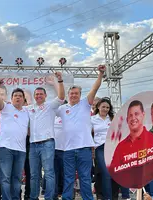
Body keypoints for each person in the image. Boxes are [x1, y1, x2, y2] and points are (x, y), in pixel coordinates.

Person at [56, 65, 106, 200]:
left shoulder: (85, 104)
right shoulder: (62, 109)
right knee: (68, 178)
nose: (73, 95)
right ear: (68, 95)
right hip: (68, 149)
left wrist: (100, 74)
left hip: (84, 148)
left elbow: (95, 88)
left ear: (80, 94)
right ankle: (67, 198)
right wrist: (59, 81)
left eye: (76, 93)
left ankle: (88, 198)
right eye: (71, 93)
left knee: (85, 178)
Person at [26, 72, 65, 200]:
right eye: (36, 94)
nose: (38, 96)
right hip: (33, 145)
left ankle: (49, 198)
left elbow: (61, 97)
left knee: (49, 173)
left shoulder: (50, 106)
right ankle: (33, 197)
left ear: (45, 96)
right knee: (33, 175)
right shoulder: (29, 108)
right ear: (34, 96)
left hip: (47, 143)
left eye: (41, 94)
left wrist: (59, 81)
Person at [0, 79, 29, 200]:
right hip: (6, 148)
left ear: (24, 99)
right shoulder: (6, 108)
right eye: (15, 96)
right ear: (11, 98)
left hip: (21, 150)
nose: (18, 98)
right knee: (5, 177)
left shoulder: (27, 111)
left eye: (20, 96)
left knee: (17, 177)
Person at [108, 100, 153, 189]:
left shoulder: (151, 138)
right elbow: (113, 170)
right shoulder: (121, 146)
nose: (133, 118)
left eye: (136, 114)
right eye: (130, 115)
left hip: (147, 188)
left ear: (143, 115)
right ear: (127, 120)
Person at [91, 97, 114, 200]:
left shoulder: (113, 118)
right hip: (99, 147)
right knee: (105, 172)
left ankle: (112, 195)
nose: (105, 109)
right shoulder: (92, 119)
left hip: (112, 147)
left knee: (114, 172)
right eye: (103, 107)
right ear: (98, 107)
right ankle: (107, 197)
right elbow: (88, 134)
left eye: (107, 107)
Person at [53, 100, 67, 200]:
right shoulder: (52, 117)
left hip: (66, 149)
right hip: (53, 149)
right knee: (54, 173)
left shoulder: (69, 117)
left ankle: (64, 193)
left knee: (65, 173)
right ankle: (55, 194)